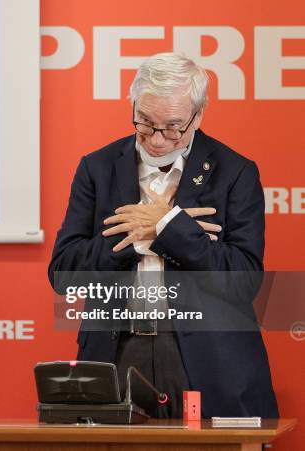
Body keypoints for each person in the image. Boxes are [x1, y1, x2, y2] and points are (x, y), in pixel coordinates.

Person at [48, 53, 278, 418]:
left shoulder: (234, 172)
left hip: (208, 359)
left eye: (173, 127)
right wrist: (137, 237)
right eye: (145, 123)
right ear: (134, 106)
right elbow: (63, 274)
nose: (157, 140)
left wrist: (170, 228)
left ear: (198, 116)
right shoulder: (97, 168)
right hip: (120, 351)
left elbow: (245, 279)